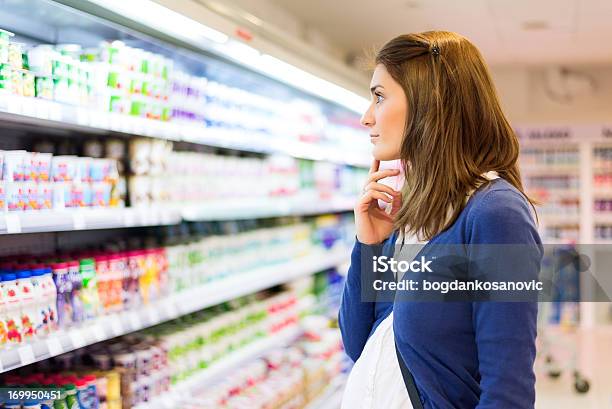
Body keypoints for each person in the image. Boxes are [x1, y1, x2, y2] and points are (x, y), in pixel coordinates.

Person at [338, 31, 542, 409]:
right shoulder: (411, 212)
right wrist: (367, 245)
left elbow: (508, 390)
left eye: (379, 96)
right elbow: (357, 342)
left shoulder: (496, 214)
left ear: (428, 103)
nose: (367, 117)